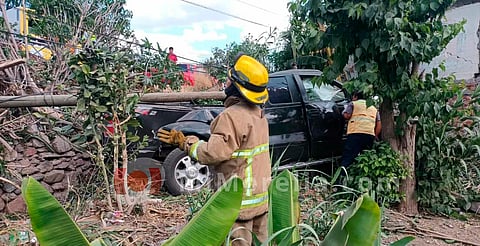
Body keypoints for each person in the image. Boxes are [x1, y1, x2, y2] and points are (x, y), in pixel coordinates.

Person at [157, 54, 271, 245]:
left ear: (236, 86)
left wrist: (186, 142)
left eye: (229, 79)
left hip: (237, 204)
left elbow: (213, 153)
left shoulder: (231, 117)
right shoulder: (259, 115)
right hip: (260, 201)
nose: (225, 82)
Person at [341, 91, 381, 168]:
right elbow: (379, 124)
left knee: (348, 157)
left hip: (355, 134)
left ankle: (343, 176)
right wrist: (375, 135)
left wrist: (344, 112)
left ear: (355, 96)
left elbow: (347, 116)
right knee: (366, 158)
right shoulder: (374, 108)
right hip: (369, 135)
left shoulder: (353, 103)